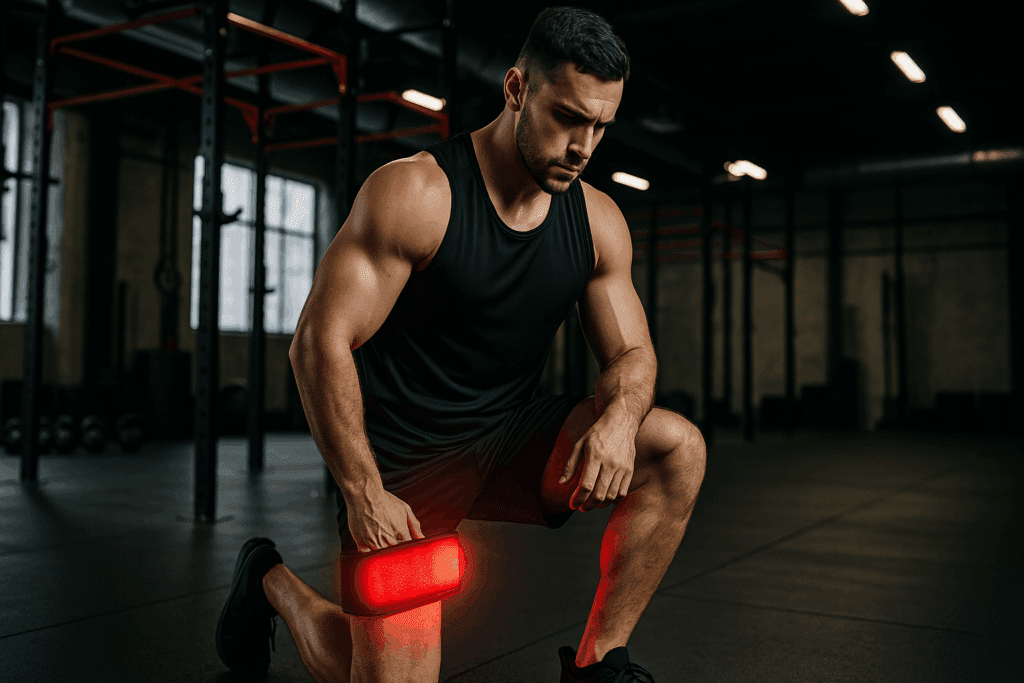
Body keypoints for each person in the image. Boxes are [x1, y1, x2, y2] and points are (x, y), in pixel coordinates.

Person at [215, 7, 706, 683]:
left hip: (509, 437)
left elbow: (632, 355)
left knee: (676, 447)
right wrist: (363, 490)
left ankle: (599, 666)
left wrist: (620, 421)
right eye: (567, 116)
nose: (583, 145)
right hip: (404, 463)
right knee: (382, 675)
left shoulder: (597, 221)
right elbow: (318, 341)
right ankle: (271, 579)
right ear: (515, 90)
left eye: (600, 126)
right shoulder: (416, 193)